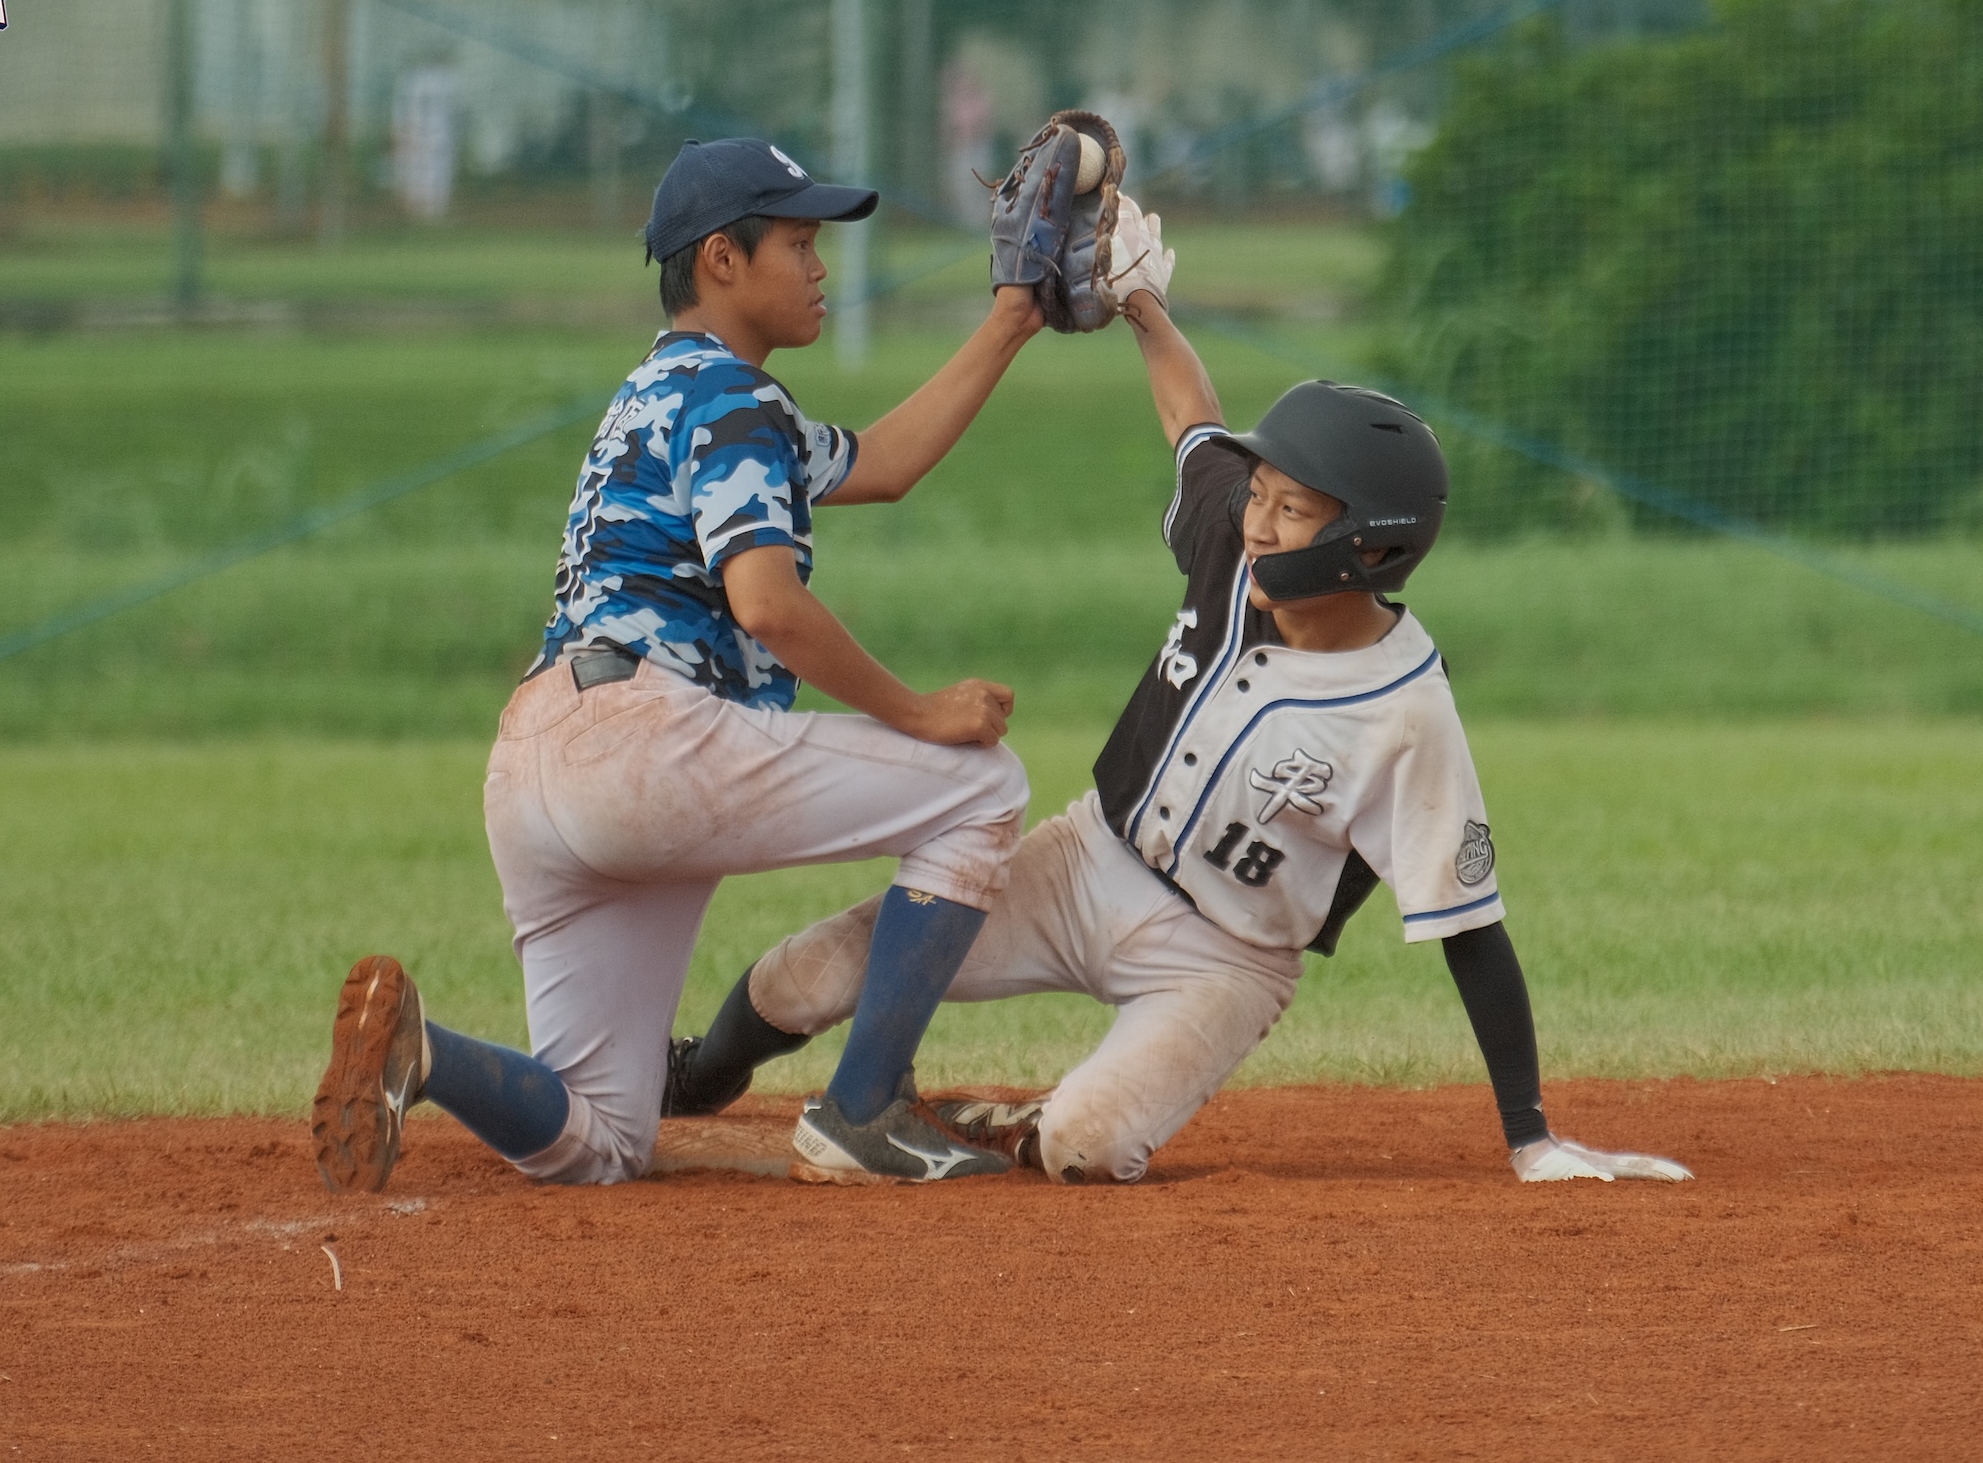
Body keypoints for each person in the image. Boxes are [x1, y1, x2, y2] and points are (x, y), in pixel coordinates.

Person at [661, 198, 1692, 1186]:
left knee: (1086, 1143)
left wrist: (1531, 1136)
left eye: (1291, 509)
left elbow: (1469, 927)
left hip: (1225, 961)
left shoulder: (1405, 710)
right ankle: (696, 1078)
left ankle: (1011, 1121)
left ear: (1365, 547)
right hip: (1083, 861)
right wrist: (1146, 307)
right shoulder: (1228, 541)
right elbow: (1191, 420)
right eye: (1262, 493)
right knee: (819, 966)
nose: (1256, 519)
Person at [310, 136, 1058, 1191]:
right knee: (982, 785)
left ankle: (422, 1050)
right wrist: (919, 710)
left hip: (533, 765)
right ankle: (863, 1107)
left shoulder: (672, 391)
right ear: (720, 258)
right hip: (642, 747)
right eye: (797, 242)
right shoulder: (732, 401)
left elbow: (881, 464)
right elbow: (767, 604)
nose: (819, 266)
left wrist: (1011, 317)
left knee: (603, 1139)